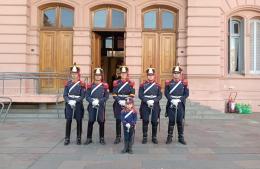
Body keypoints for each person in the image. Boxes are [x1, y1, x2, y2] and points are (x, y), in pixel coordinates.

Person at [165, 65, 189, 145]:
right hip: (172, 104)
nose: (176, 74)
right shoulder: (168, 83)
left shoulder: (184, 83)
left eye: (178, 73)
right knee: (171, 121)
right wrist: (171, 99)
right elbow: (166, 93)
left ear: (180, 74)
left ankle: (181, 137)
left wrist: (180, 99)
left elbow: (186, 94)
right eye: (174, 73)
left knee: (179, 121)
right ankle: (169, 137)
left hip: (180, 104)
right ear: (172, 74)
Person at [85, 68, 109, 145]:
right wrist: (92, 101)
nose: (98, 77)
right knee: (91, 121)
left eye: (99, 75)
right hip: (92, 106)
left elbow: (106, 97)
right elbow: (87, 96)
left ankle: (101, 138)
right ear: (94, 76)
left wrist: (99, 101)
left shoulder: (105, 86)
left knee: (101, 122)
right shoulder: (90, 85)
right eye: (96, 75)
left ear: (101, 76)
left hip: (101, 106)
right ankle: (89, 138)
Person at [63, 63, 85, 145]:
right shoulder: (67, 84)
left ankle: (78, 138)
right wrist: (69, 101)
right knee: (68, 121)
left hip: (78, 105)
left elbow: (83, 96)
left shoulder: (81, 84)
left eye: (75, 74)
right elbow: (65, 95)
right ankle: (67, 138)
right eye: (72, 74)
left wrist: (76, 101)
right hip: (69, 105)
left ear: (78, 74)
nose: (74, 75)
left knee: (79, 121)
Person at [112, 66, 135, 144]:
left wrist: (126, 102)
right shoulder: (116, 83)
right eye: (122, 73)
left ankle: (129, 135)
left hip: (127, 105)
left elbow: (132, 94)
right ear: (120, 74)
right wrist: (119, 100)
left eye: (125, 73)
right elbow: (114, 93)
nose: (123, 74)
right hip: (118, 104)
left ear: (127, 74)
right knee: (118, 120)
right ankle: (118, 136)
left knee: (128, 120)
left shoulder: (130, 83)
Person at [138, 67, 162, 144]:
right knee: (145, 120)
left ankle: (154, 137)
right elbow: (140, 95)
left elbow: (160, 95)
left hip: (155, 104)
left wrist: (154, 101)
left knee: (154, 121)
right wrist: (147, 101)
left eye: (152, 75)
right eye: (149, 75)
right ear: (147, 76)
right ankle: (145, 137)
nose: (150, 76)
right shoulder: (142, 85)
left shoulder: (158, 85)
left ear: (154, 75)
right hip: (145, 104)